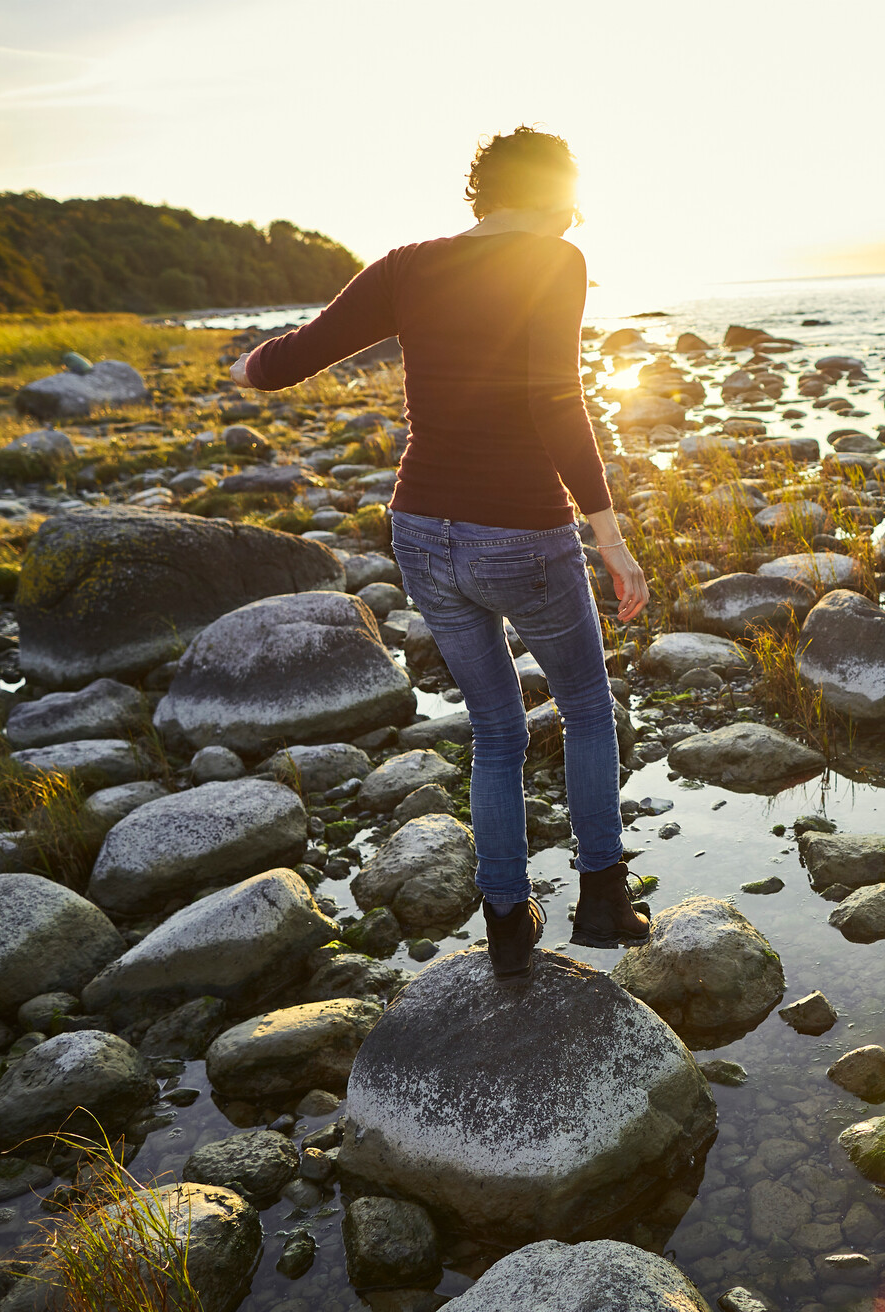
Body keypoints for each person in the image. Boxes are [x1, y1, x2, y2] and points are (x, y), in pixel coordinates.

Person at [229, 127, 650, 979]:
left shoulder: (406, 265)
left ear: (482, 191)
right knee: (586, 707)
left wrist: (249, 368)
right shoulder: (552, 262)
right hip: (522, 532)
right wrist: (609, 535)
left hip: (421, 529)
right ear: (551, 190)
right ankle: (602, 896)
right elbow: (557, 401)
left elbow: (287, 363)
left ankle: (505, 922)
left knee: (496, 729)